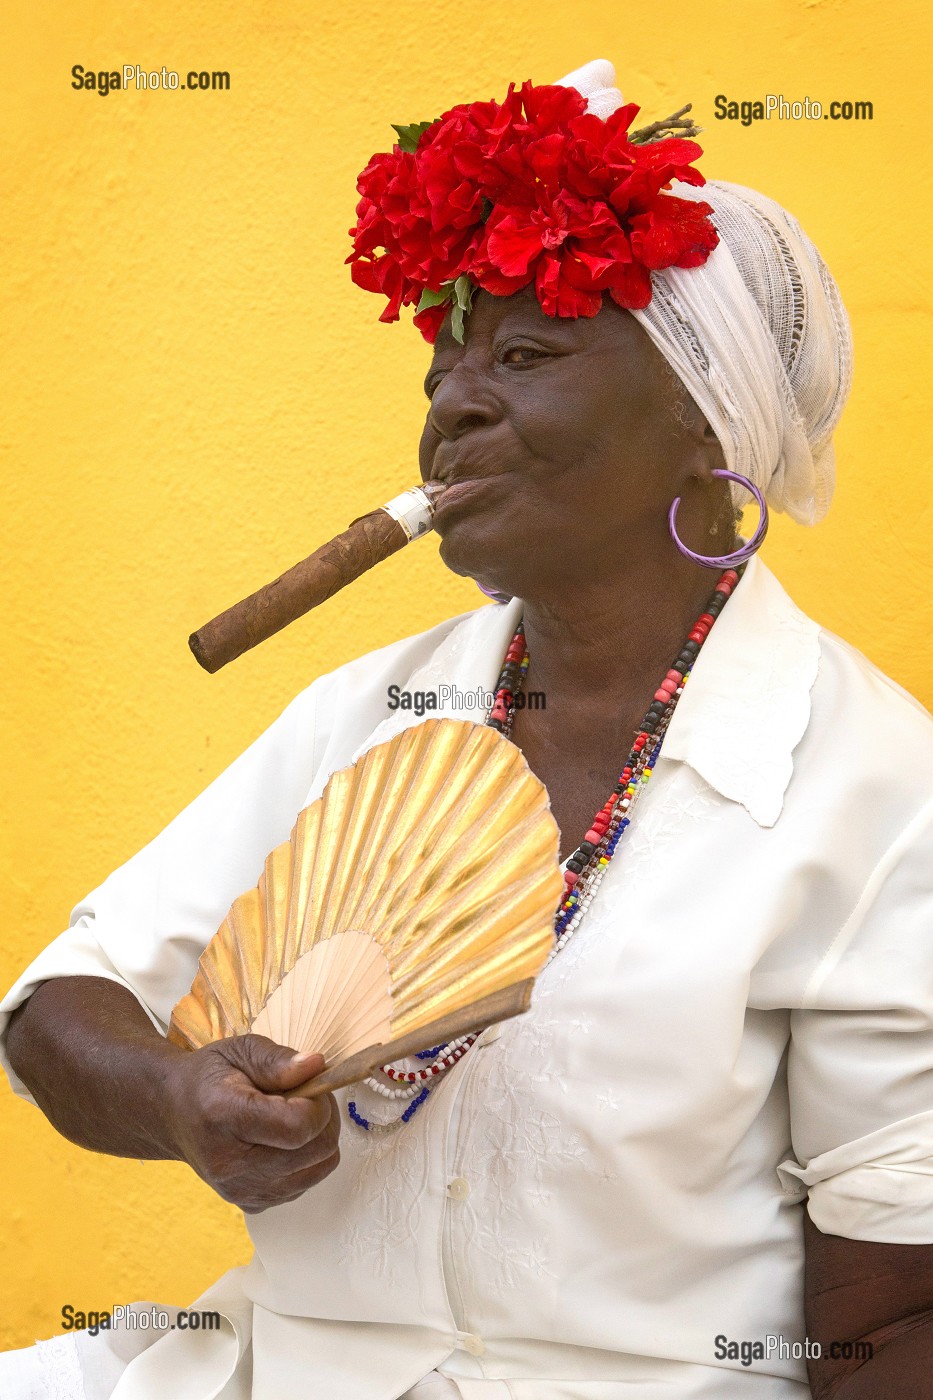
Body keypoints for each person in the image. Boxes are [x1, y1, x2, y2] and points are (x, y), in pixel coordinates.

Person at [1, 57, 932, 1400]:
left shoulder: (876, 794)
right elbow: (60, 1011)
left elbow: (889, 1327)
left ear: (698, 418)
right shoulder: (365, 712)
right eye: (446, 359)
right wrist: (175, 1103)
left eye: (524, 355)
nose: (453, 403)